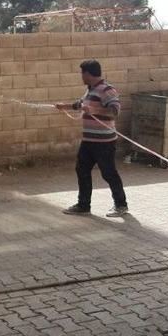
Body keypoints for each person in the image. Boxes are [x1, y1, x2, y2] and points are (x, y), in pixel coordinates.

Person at [56, 59, 128, 217]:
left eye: (82, 73)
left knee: (108, 173)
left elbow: (114, 111)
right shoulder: (90, 90)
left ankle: (121, 205)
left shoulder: (106, 89)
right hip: (88, 141)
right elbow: (81, 105)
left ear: (88, 74)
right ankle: (83, 205)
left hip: (104, 142)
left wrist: (94, 110)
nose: (81, 76)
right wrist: (64, 106)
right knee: (81, 170)